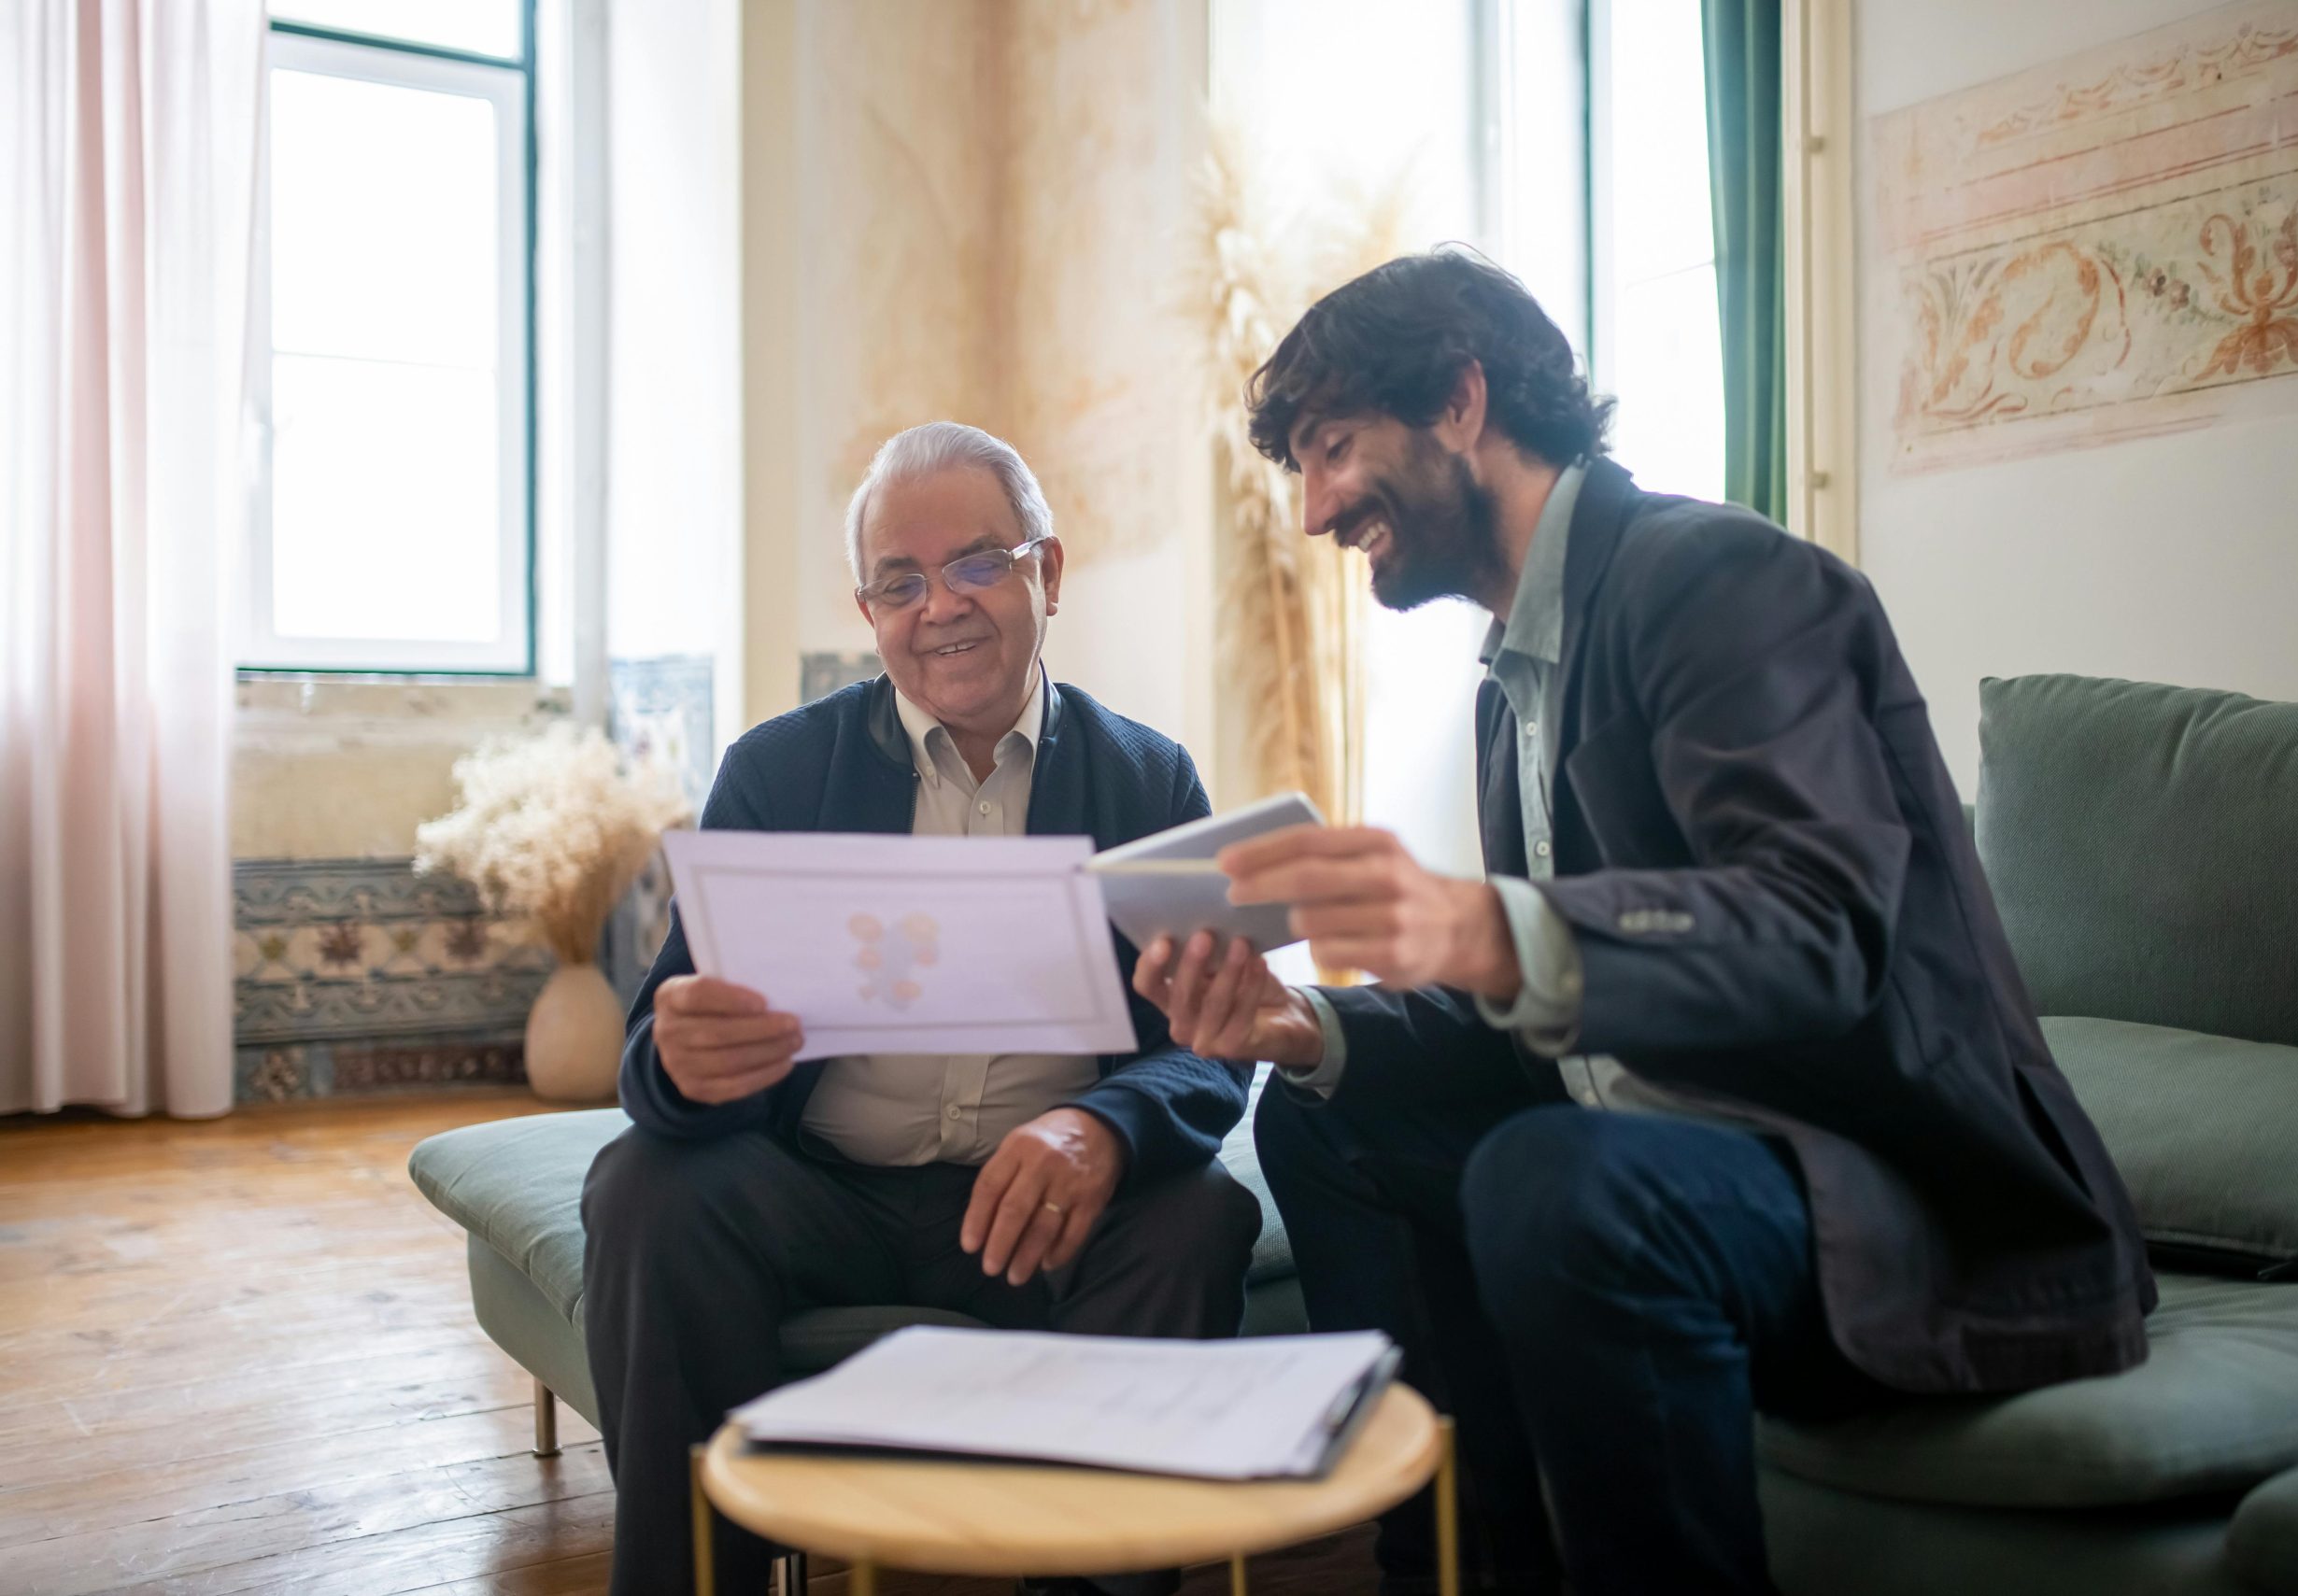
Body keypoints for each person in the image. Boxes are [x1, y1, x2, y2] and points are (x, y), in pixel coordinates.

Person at [1132, 250, 2152, 1596]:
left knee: (1556, 1177)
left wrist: (1494, 927)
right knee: (1327, 1116)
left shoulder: (1717, 581)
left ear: (1459, 399)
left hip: (1889, 1196)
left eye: (1332, 449)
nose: (1316, 510)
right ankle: (1466, 1571)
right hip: (1675, 1178)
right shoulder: (1513, 686)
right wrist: (1305, 1026)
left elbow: (1820, 928)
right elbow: (1558, 1035)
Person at [584, 421, 1260, 1596]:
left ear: (1048, 572)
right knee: (643, 1185)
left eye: (978, 564)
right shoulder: (777, 773)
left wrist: (1101, 1127)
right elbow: (657, 1041)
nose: (939, 605)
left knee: (1196, 1214)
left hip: (1043, 1201)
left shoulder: (1148, 780)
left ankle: (1095, 1578)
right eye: (900, 581)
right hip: (820, 1193)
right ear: (870, 611)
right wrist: (681, 1062)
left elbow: (1207, 1050)